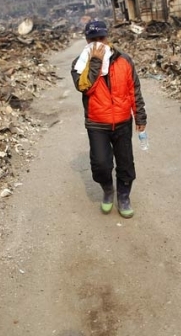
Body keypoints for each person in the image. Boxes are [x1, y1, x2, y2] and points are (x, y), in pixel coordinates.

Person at [71, 20, 147, 218]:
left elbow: (134, 90)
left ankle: (123, 196)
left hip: (122, 122)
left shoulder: (124, 60)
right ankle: (107, 190)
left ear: (108, 37)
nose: (98, 43)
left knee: (126, 164)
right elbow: (85, 87)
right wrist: (95, 61)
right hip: (97, 123)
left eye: (101, 39)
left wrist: (139, 115)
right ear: (86, 40)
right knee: (101, 164)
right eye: (93, 40)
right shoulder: (80, 64)